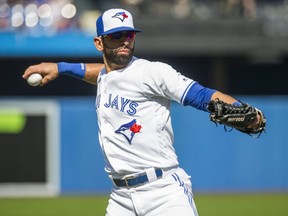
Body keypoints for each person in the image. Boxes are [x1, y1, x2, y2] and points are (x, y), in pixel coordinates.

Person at [22, 8, 263, 216]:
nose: (125, 40)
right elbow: (101, 73)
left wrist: (243, 112)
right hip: (121, 198)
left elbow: (200, 95)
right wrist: (61, 67)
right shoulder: (107, 76)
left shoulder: (152, 72)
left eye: (129, 34)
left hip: (163, 192)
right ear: (99, 43)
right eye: (116, 36)